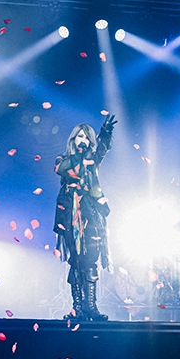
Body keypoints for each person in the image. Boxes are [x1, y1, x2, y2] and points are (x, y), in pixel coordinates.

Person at [53, 113, 116, 321]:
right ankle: (77, 308)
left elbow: (102, 151)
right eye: (80, 136)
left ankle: (91, 307)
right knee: (76, 260)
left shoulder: (92, 162)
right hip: (71, 216)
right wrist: (82, 156)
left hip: (91, 213)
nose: (84, 140)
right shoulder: (63, 160)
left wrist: (105, 134)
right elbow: (62, 170)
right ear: (73, 139)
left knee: (91, 259)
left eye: (87, 137)